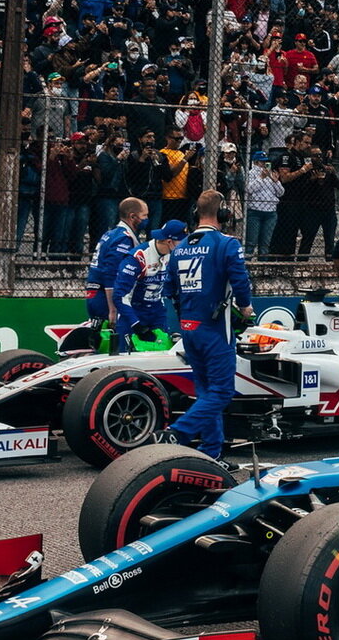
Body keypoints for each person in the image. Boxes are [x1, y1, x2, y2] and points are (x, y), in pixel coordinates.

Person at [161, 191, 254, 461]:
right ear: (223, 213)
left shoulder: (179, 247)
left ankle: (211, 452)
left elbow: (170, 289)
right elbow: (240, 280)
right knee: (222, 391)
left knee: (206, 392)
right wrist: (246, 307)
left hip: (189, 327)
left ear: (195, 214)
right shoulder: (227, 243)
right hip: (215, 328)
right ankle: (177, 433)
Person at [111, 219, 187, 354]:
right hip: (133, 314)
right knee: (125, 359)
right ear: (169, 242)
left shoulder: (173, 256)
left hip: (157, 313)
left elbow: (171, 287)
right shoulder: (138, 257)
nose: (184, 245)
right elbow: (119, 295)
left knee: (161, 358)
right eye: (181, 241)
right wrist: (136, 325)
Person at [85, 197, 147, 326]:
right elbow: (111, 273)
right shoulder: (123, 238)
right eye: (144, 215)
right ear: (133, 217)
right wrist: (113, 309)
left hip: (95, 293)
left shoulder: (111, 234)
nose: (146, 219)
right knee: (112, 342)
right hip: (104, 298)